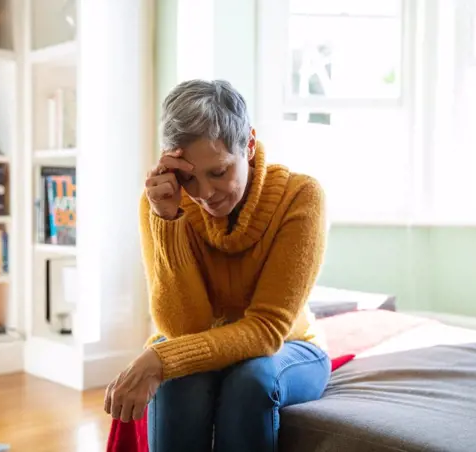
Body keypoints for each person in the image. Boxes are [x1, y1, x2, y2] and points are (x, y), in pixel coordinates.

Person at [103, 79, 330, 452]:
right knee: (178, 380)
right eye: (189, 177)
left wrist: (160, 358)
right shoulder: (162, 203)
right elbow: (183, 329)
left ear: (250, 145)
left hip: (291, 346)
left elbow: (267, 331)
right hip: (205, 338)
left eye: (219, 172)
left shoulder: (301, 197)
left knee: (251, 380)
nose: (205, 194)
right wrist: (167, 220)